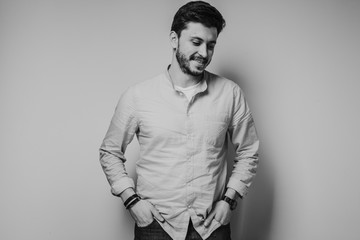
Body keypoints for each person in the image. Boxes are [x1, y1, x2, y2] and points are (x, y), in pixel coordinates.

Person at [99, 1, 259, 239]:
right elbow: (109, 152)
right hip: (155, 225)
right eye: (196, 42)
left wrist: (229, 199)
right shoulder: (138, 96)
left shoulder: (230, 94)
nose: (204, 53)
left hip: (212, 225)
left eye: (211, 45)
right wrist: (131, 201)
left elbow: (248, 151)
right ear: (174, 39)